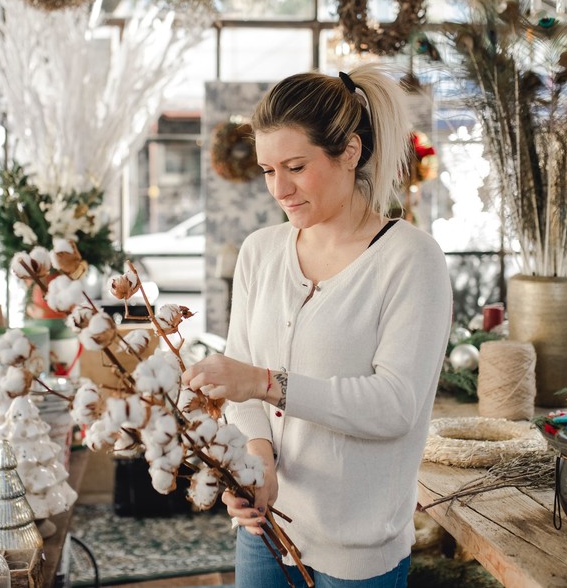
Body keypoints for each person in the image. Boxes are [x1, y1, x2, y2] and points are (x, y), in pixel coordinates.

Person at [182, 64, 453, 587]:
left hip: (358, 554)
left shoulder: (410, 259)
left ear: (349, 151)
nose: (279, 188)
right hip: (265, 532)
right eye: (267, 170)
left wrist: (265, 383)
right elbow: (237, 389)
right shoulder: (260, 252)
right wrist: (256, 459)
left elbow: (395, 405)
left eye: (296, 166)